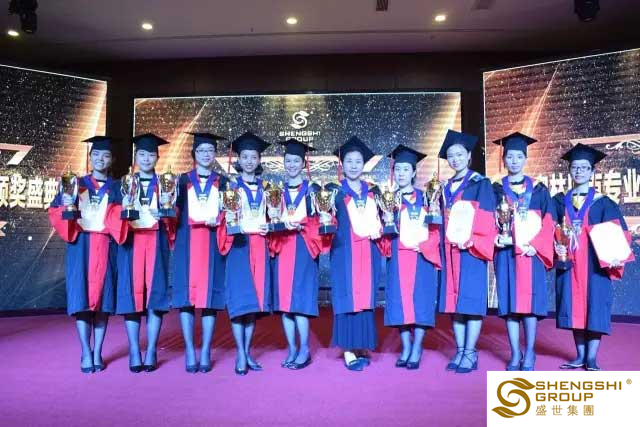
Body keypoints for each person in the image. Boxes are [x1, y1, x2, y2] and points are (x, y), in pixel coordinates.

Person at [553, 144, 634, 371]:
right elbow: (551, 228)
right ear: (569, 170)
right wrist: (555, 245)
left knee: (594, 306)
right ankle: (579, 355)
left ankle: (591, 358)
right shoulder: (559, 201)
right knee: (574, 308)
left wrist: (616, 256)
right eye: (575, 167)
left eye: (584, 167)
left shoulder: (603, 202)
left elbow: (617, 231)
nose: (579, 171)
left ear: (592, 171)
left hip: (594, 265)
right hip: (569, 264)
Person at [48, 136, 118, 373]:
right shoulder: (75, 183)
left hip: (106, 246)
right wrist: (65, 204)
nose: (100, 159)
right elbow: (56, 211)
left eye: (105, 155)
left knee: (103, 302)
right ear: (90, 157)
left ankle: (98, 351)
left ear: (111, 160)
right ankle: (86, 352)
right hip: (81, 245)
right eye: (96, 154)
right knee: (82, 299)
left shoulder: (117, 187)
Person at [107, 133, 176, 373]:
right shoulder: (123, 183)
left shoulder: (167, 182)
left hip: (156, 242)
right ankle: (135, 349)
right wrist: (123, 211)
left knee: (155, 297)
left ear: (157, 157)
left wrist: (166, 213)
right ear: (136, 157)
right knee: (132, 297)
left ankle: (152, 349)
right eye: (143, 154)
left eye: (151, 154)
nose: (147, 159)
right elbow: (111, 212)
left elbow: (175, 214)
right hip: (132, 242)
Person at [492, 132, 554, 371]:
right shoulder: (496, 189)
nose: (514, 161)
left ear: (526, 159)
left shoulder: (539, 190)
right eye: (510, 156)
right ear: (504, 159)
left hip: (530, 254)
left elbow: (549, 221)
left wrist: (535, 246)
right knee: (510, 306)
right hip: (506, 255)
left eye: (519, 156)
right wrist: (496, 238)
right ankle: (515, 352)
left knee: (530, 305)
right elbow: (486, 219)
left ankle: (529, 353)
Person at [438, 129, 497, 374]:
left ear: (469, 156)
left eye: (460, 154)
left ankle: (470, 353)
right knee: (454, 301)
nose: (455, 159)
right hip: (450, 250)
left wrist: (472, 240)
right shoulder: (444, 187)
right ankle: (460, 349)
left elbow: (487, 216)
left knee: (470, 300)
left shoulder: (480, 184)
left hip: (470, 251)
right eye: (451, 155)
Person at [172, 132, 229, 373]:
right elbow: (173, 212)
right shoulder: (180, 181)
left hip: (212, 243)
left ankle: (205, 349)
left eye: (210, 150)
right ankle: (189, 349)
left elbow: (230, 211)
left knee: (209, 299)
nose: (206, 154)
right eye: (201, 150)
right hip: (187, 242)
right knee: (186, 299)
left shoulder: (223, 182)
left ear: (215, 154)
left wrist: (222, 218)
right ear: (194, 154)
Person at [327, 136, 384, 371]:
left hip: (368, 252)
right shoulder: (334, 192)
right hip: (344, 252)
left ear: (364, 164)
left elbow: (383, 219)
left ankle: (361, 345)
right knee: (347, 297)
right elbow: (327, 221)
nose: (353, 165)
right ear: (342, 164)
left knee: (365, 298)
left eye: (358, 161)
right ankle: (348, 349)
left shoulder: (374, 192)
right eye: (349, 161)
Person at [218, 131, 272, 376]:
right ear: (238, 159)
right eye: (245, 157)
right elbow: (222, 218)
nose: (249, 161)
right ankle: (241, 353)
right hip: (239, 245)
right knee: (240, 299)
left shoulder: (268, 188)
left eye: (254, 157)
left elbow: (273, 215)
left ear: (259, 160)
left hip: (259, 245)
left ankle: (247, 351)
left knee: (253, 303)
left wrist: (270, 225)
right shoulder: (229, 188)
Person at [383, 145, 441, 370]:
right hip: (399, 256)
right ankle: (406, 346)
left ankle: (417, 347)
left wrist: (426, 246)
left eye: (406, 169)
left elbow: (436, 228)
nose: (401, 173)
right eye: (397, 169)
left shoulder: (427, 197)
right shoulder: (388, 199)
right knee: (399, 302)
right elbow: (384, 229)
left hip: (421, 256)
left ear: (414, 172)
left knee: (421, 301)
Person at [269, 138, 325, 370]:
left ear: (304, 164)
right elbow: (270, 219)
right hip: (283, 247)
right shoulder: (275, 191)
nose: (292, 165)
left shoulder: (314, 191)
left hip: (304, 248)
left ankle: (304, 349)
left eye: (296, 161)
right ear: (284, 163)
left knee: (300, 301)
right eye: (288, 161)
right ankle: (291, 348)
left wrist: (303, 225)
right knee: (285, 302)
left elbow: (322, 222)